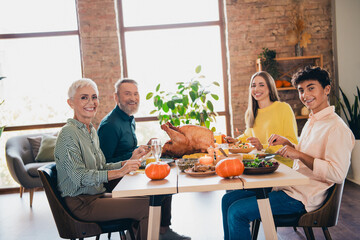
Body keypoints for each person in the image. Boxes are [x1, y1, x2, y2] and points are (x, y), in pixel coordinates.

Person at [221, 66, 355, 240]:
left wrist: (298, 154)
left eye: (311, 88)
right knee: (227, 200)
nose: (305, 95)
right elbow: (308, 153)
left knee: (237, 212)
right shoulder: (313, 121)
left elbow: (337, 174)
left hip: (304, 197)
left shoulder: (337, 129)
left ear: (327, 89)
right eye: (301, 90)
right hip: (290, 188)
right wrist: (290, 144)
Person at [54, 78, 150, 240]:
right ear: (71, 103)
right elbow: (80, 177)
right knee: (148, 206)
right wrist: (120, 171)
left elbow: (101, 166)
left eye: (94, 97)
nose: (91, 102)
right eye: (84, 97)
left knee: (148, 198)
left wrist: (124, 164)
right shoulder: (68, 133)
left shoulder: (89, 130)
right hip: (82, 203)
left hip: (96, 196)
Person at [98, 78, 190, 240]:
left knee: (165, 180)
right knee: (159, 187)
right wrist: (131, 156)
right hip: (116, 182)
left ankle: (162, 230)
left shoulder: (128, 118)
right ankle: (138, 232)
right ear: (116, 97)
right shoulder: (110, 125)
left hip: (129, 172)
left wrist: (141, 148)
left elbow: (125, 149)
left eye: (136, 93)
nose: (133, 98)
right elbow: (103, 164)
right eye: (127, 94)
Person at [227, 71, 298, 167]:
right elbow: (247, 136)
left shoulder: (283, 108)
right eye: (253, 85)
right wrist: (234, 141)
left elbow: (292, 142)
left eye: (261, 85)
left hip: (282, 165)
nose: (256, 89)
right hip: (261, 164)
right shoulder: (251, 113)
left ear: (270, 87)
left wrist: (262, 147)